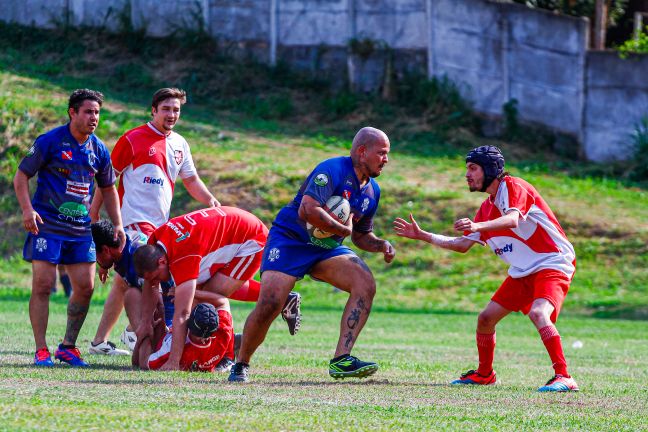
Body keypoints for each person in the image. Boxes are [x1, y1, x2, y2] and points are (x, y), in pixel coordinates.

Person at [393, 145, 579, 392]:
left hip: (552, 261)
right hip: (524, 270)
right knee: (485, 319)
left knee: (538, 313)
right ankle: (484, 374)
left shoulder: (514, 186)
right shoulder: (486, 208)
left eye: (473, 168)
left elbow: (513, 219)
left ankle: (564, 376)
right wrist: (422, 235)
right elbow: (461, 245)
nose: (467, 175)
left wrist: (478, 226)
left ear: (490, 169)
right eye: (467, 169)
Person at [229, 126, 395, 382]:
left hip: (325, 249)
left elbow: (361, 235)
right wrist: (342, 228)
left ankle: (342, 360)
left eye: (387, 154)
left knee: (365, 282)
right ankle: (241, 364)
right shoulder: (332, 170)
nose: (386, 159)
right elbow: (307, 210)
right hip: (290, 240)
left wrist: (380, 244)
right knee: (270, 303)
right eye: (382, 153)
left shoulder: (372, 191)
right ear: (362, 152)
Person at [89, 87, 221, 355]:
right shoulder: (132, 139)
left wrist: (210, 200)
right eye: (166, 109)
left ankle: (112, 337)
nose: (171, 114)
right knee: (143, 279)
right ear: (153, 110)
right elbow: (106, 181)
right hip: (131, 223)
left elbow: (192, 180)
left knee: (126, 280)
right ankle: (134, 332)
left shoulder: (180, 144)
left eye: (176, 110)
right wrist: (94, 215)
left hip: (160, 227)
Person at [13, 88, 124, 367]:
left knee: (85, 288)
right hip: (47, 225)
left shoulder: (98, 149)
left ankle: (68, 347)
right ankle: (41, 349)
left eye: (97, 112)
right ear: (72, 112)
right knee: (43, 284)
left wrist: (118, 224)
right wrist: (28, 210)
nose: (94, 117)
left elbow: (109, 189)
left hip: (80, 230)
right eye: (88, 112)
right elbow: (21, 175)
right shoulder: (50, 141)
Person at [133, 206, 302, 371]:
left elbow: (183, 313)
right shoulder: (155, 241)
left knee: (212, 295)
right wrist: (145, 321)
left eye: (156, 277)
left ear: (162, 261)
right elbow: (151, 283)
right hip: (232, 227)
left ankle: (227, 356)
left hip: (251, 239)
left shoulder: (183, 255)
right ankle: (285, 298)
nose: (157, 282)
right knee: (205, 291)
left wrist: (173, 361)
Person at [134, 302, 234, 373]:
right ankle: (230, 354)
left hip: (164, 335)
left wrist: (141, 339)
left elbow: (144, 363)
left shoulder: (172, 347)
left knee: (151, 305)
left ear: (188, 325)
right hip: (171, 328)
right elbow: (223, 301)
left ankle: (136, 331)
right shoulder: (223, 332)